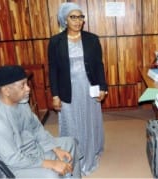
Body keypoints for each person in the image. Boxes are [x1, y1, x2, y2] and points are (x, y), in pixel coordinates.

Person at [0, 65, 83, 178]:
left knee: (70, 143)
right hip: (7, 167)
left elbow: (36, 128)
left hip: (30, 150)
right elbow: (12, 159)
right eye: (22, 86)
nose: (28, 88)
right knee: (50, 175)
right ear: (6, 91)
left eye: (27, 83)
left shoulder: (20, 101)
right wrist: (50, 163)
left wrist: (55, 148)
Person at [48, 2, 108, 175]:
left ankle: (89, 157)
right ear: (64, 19)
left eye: (80, 17)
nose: (77, 21)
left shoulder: (92, 39)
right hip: (67, 90)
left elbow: (98, 65)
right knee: (72, 124)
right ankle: (74, 156)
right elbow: (53, 69)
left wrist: (103, 87)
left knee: (89, 122)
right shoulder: (55, 42)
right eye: (73, 17)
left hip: (89, 87)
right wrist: (55, 95)